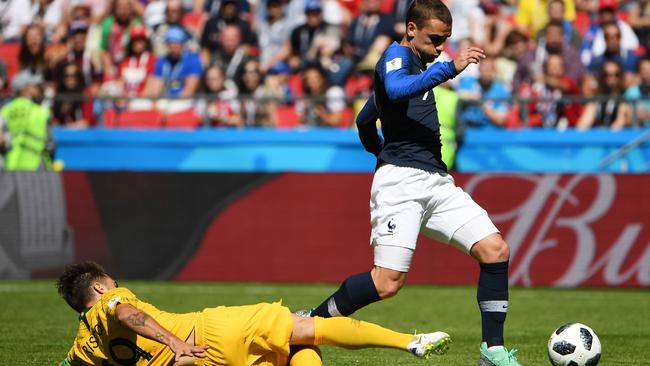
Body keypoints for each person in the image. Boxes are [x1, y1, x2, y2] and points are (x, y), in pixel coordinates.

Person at [304, 1, 521, 365]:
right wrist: (451, 68)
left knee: (495, 250)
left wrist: (378, 149)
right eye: (436, 40)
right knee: (386, 282)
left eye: (446, 41)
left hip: (436, 180)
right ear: (410, 29)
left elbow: (363, 119)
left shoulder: (418, 65)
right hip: (402, 183)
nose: (440, 48)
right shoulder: (395, 58)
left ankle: (492, 351)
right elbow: (396, 86)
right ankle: (310, 321)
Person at [57, 261, 451, 366]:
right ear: (97, 288)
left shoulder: (81, 347)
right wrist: (176, 342)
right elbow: (129, 314)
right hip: (209, 332)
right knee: (311, 331)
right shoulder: (112, 300)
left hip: (205, 364)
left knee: (292, 353)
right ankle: (410, 342)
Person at [0, 71, 52, 170]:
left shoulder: (5, 110)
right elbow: (50, 145)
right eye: (36, 86)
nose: (40, 89)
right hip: (37, 167)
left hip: (10, 166)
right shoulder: (41, 111)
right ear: (26, 88)